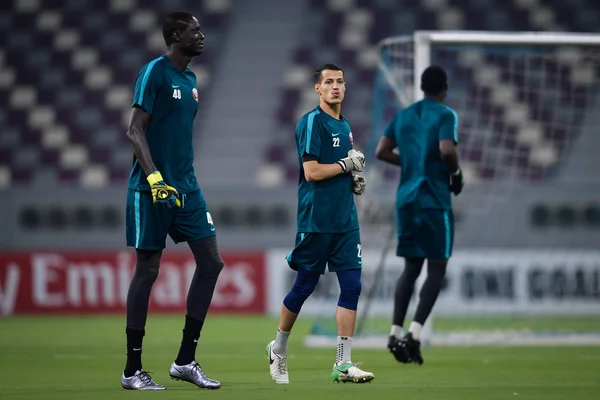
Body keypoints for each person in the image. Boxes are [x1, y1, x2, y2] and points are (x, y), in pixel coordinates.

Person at [121, 12, 223, 390]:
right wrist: (154, 177)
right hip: (151, 189)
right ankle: (132, 370)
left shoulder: (191, 80)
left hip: (187, 188)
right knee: (147, 270)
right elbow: (134, 130)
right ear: (176, 35)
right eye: (195, 30)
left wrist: (176, 180)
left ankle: (185, 360)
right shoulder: (155, 72)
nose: (201, 36)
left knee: (212, 262)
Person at [266, 64, 373, 384]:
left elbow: (340, 169)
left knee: (352, 287)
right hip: (316, 221)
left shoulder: (346, 124)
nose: (336, 86)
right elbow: (311, 172)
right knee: (304, 287)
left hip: (345, 221)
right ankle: (279, 348)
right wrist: (345, 165)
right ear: (318, 89)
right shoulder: (312, 122)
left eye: (340, 81)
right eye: (329, 82)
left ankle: (343, 364)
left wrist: (354, 179)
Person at [375, 65, 464, 364]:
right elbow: (447, 150)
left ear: (422, 87)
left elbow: (381, 151)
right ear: (444, 87)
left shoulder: (403, 115)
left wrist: (411, 164)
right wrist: (456, 174)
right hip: (434, 200)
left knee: (411, 268)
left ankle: (393, 333)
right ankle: (413, 336)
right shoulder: (445, 114)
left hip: (406, 200)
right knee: (436, 267)